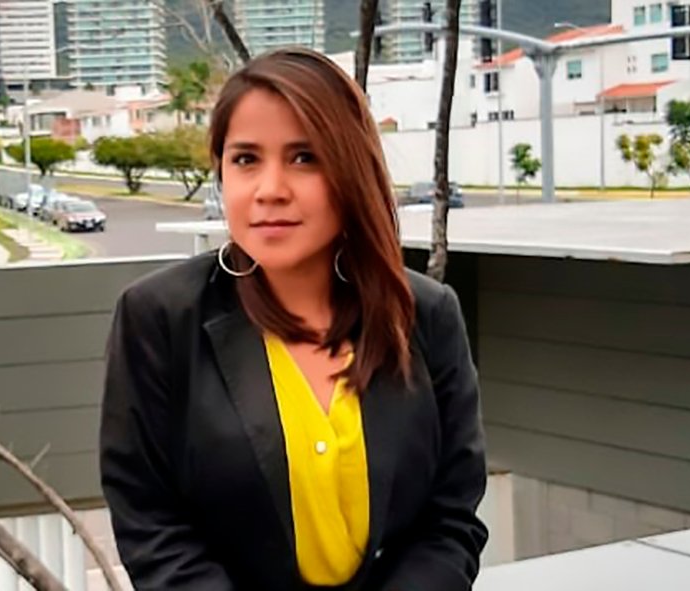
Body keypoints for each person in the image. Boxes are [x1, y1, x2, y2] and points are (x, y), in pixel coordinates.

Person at [100, 47, 487, 591]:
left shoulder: (425, 315)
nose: (270, 190)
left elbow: (451, 520)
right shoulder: (159, 318)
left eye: (304, 157)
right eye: (245, 159)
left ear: (352, 170)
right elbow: (151, 524)